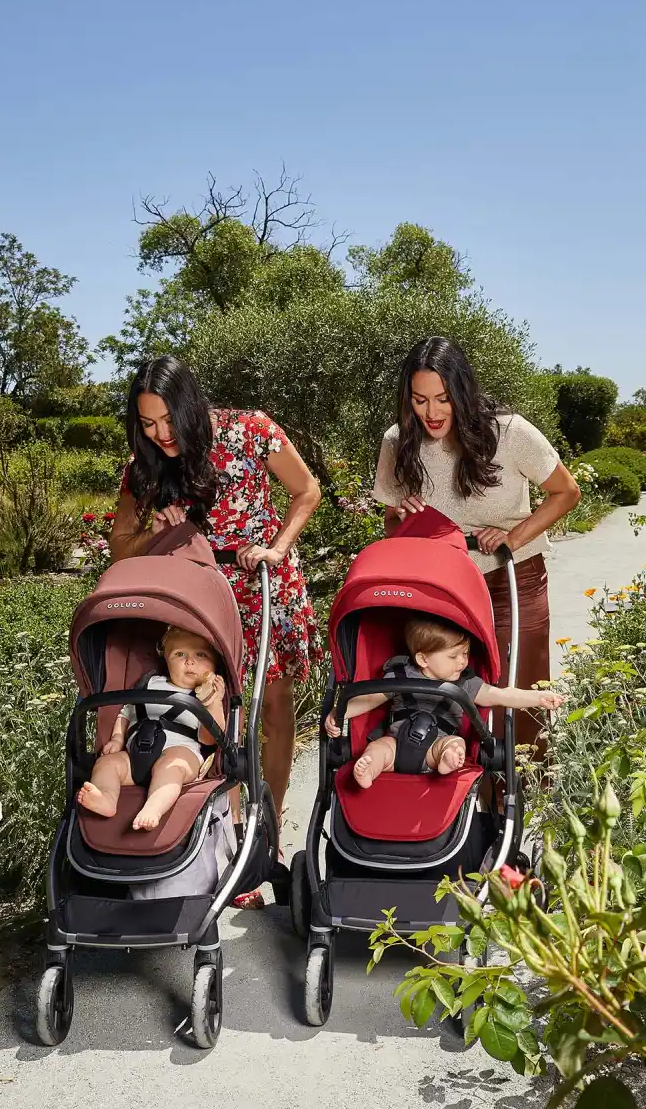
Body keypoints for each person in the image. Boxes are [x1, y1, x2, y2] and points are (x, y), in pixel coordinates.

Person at [110, 356, 322, 905]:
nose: (159, 434)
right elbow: (120, 548)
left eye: (166, 420)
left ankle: (267, 838)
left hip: (261, 582)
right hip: (199, 600)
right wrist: (156, 535)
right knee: (215, 714)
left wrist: (278, 544)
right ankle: (224, 830)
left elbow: (307, 491)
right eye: (148, 424)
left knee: (273, 707)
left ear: (189, 405)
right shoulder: (145, 464)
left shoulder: (251, 430)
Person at [372, 337, 580, 753]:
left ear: (462, 391)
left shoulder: (511, 432)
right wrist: (401, 517)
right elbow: (391, 527)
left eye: (443, 399)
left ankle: (527, 797)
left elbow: (567, 492)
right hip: (441, 585)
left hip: (510, 578)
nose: (431, 413)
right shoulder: (398, 440)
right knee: (452, 696)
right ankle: (474, 804)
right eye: (419, 400)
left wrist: (512, 538)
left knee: (518, 691)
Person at [324, 613, 565, 786]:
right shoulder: (399, 675)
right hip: (397, 744)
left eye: (466, 654)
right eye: (454, 656)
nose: (463, 662)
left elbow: (499, 696)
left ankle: (448, 760)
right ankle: (369, 768)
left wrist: (538, 697)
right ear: (423, 659)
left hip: (436, 746)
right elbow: (368, 700)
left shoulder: (466, 683)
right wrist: (340, 712)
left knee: (454, 744)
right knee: (378, 749)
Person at [77, 626, 226, 831]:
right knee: (107, 764)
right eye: (179, 654)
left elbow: (211, 739)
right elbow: (127, 712)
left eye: (201, 655)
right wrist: (117, 739)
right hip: (135, 755)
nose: (189, 661)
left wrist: (215, 704)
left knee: (170, 768)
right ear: (165, 658)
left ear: (215, 664)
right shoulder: (150, 682)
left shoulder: (204, 699)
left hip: (180, 754)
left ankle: (154, 807)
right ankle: (107, 798)